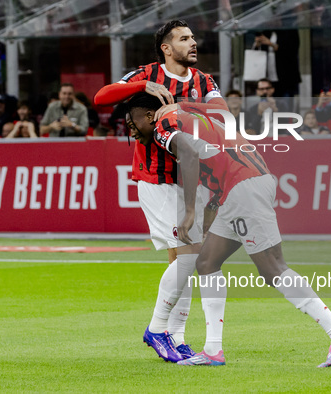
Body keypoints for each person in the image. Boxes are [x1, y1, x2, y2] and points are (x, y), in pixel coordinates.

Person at [126, 92, 331, 368]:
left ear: (150, 116)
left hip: (242, 187)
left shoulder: (164, 125)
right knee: (207, 261)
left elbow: (188, 154)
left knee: (273, 268)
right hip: (248, 182)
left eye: (133, 122)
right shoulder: (195, 114)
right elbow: (215, 131)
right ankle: (213, 351)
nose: (131, 131)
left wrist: (189, 213)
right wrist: (211, 212)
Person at [95, 19, 227, 363]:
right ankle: (159, 330)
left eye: (193, 37)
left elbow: (224, 114)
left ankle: (175, 336)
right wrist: (141, 88)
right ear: (166, 48)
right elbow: (101, 97)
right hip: (156, 179)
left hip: (190, 180)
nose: (193, 43)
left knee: (186, 258)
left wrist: (180, 109)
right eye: (184, 39)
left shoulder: (203, 81)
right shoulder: (147, 74)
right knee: (189, 256)